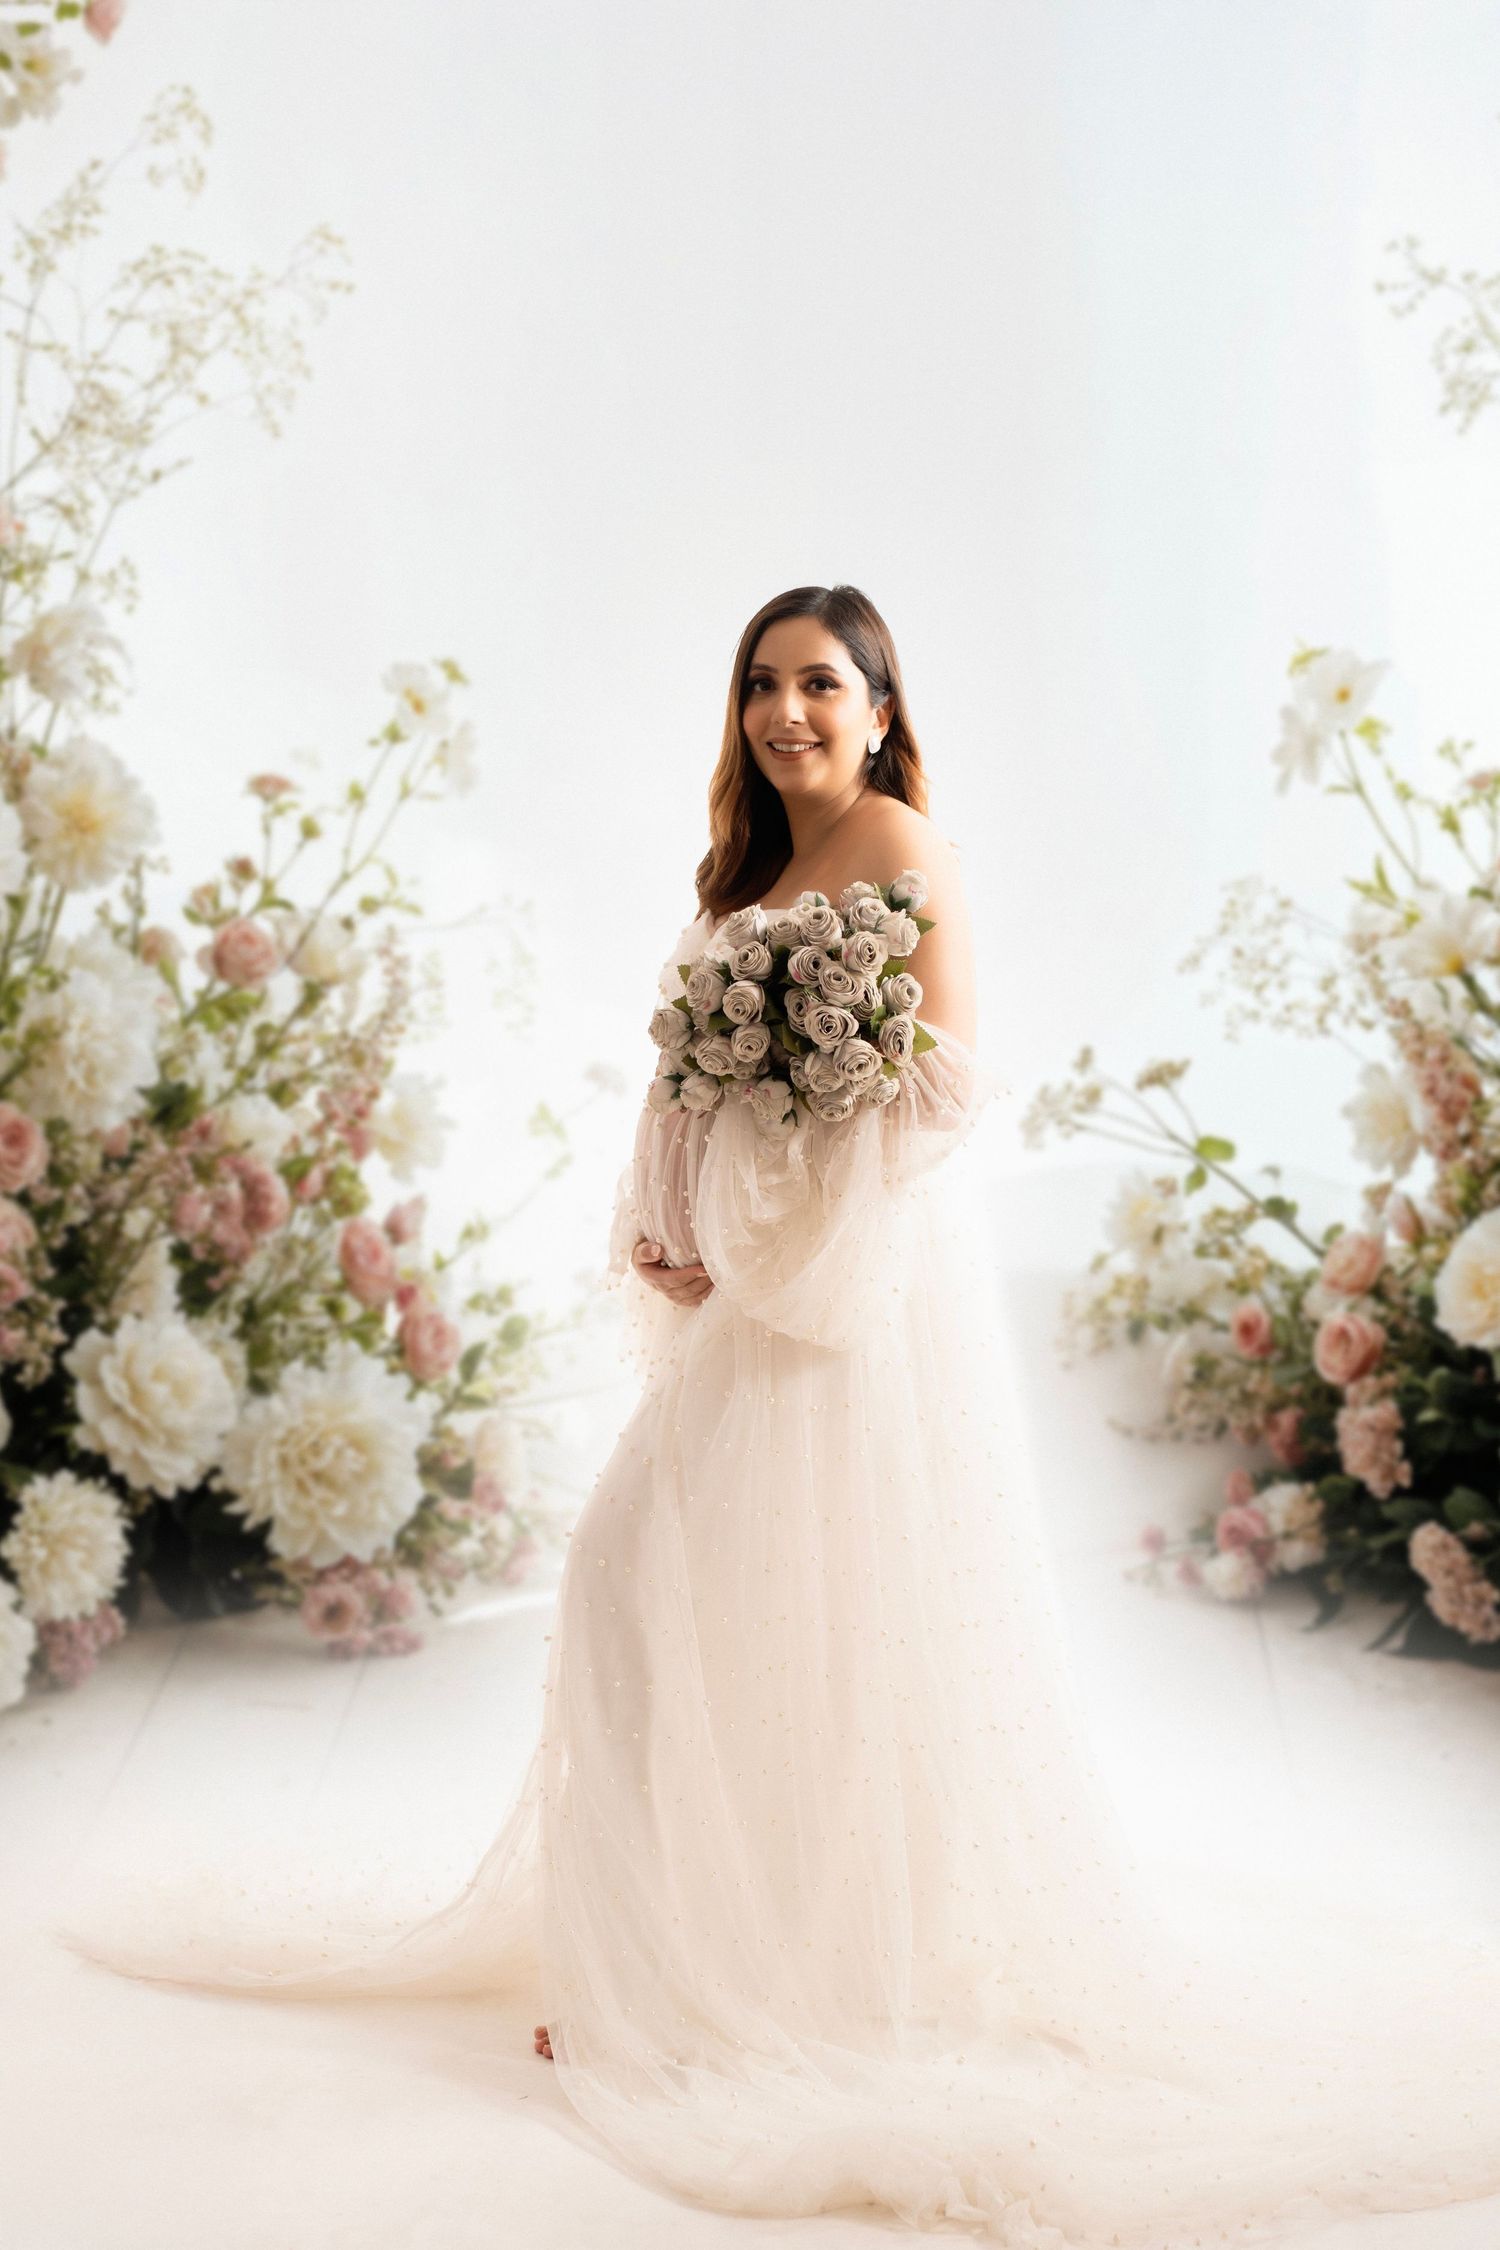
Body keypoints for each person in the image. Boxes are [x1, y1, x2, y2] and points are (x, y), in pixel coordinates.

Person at [53, 585, 1500, 2247]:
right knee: (660, 1597)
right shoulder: (748, 867)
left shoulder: (899, 845)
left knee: (763, 1613)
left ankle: (715, 1996)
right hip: (742, 1289)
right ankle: (663, 1967)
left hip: (837, 1305)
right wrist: (670, 1222)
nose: (786, 710)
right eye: (762, 682)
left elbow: (947, 1088)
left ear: (883, 706)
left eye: (821, 682)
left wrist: (764, 1209)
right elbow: (694, 1073)